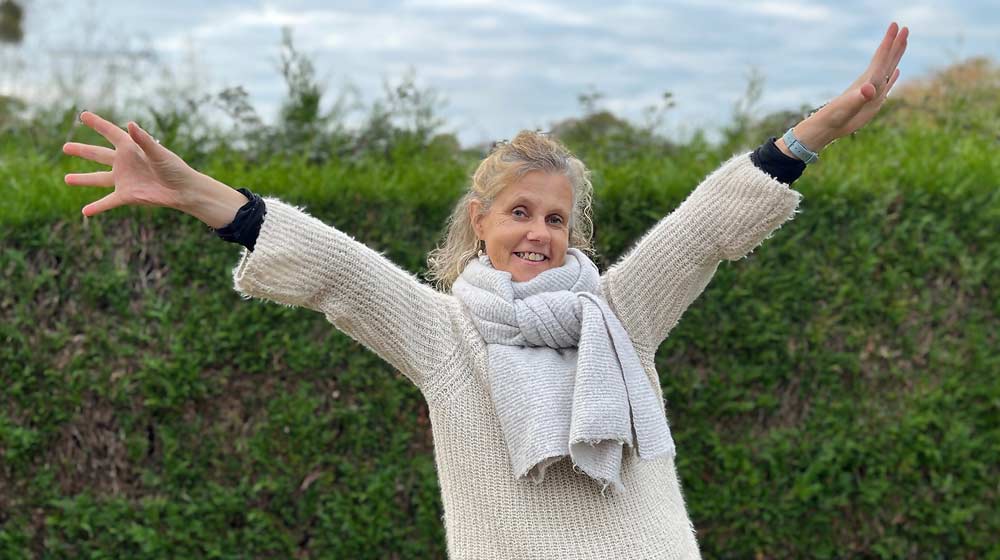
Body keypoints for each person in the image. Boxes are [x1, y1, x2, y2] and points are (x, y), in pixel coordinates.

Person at [62, 22, 908, 559]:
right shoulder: (441, 334)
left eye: (556, 219)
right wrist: (196, 192)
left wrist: (820, 128)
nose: (539, 232)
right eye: (519, 212)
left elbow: (707, 225)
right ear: (481, 221)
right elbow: (332, 270)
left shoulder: (619, 314)